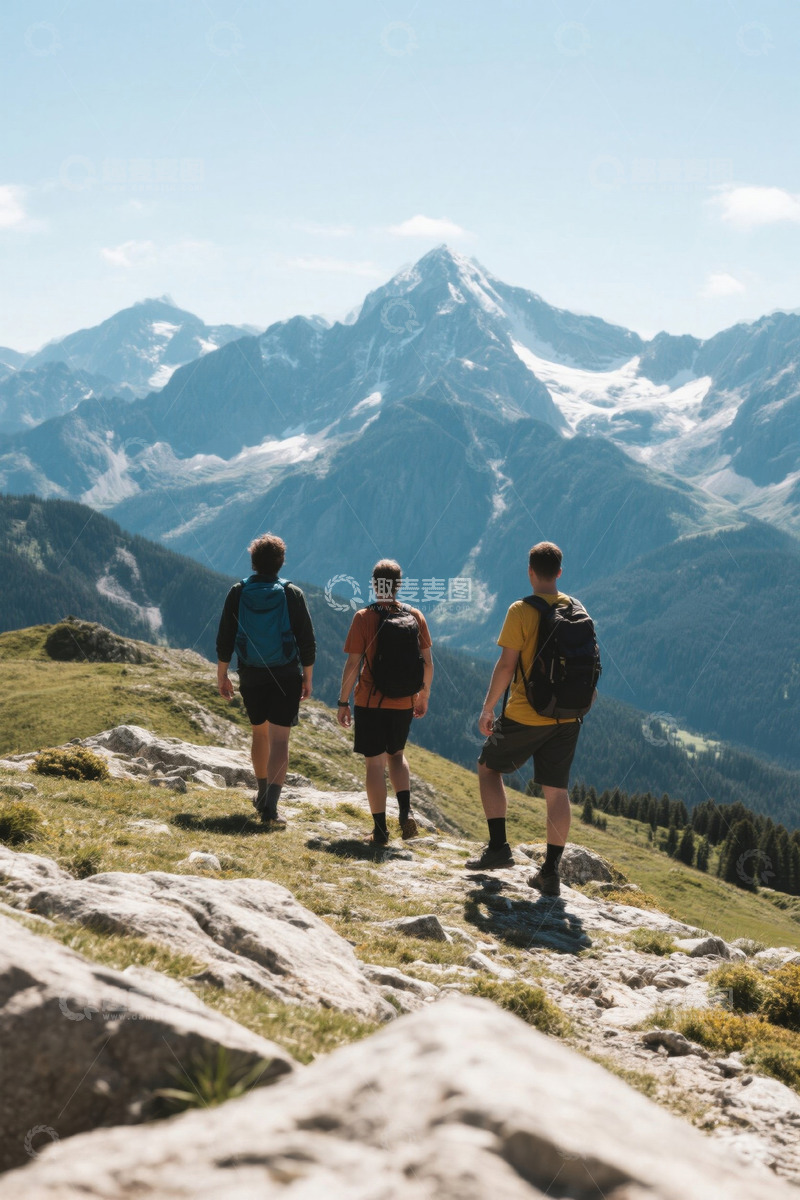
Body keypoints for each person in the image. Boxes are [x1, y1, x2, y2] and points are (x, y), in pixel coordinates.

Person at [467, 542, 597, 895]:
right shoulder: (577, 608)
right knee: (556, 793)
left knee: (487, 767)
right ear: (559, 572)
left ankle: (498, 848)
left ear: (530, 572)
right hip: (569, 716)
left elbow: (507, 665)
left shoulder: (520, 611)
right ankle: (550, 872)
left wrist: (488, 707)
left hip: (526, 714)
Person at [216, 533, 315, 828]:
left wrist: (222, 674)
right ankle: (271, 808)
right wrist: (307, 678)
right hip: (286, 673)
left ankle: (261, 795)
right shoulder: (291, 593)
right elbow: (307, 641)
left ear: (253, 562)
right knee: (280, 739)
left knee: (259, 734)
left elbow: (225, 638)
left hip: (251, 672)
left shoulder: (238, 592)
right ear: (280, 563)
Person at [338, 559, 433, 844]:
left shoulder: (364, 617)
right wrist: (422, 695)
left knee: (374, 765)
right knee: (397, 755)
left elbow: (353, 664)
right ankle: (405, 813)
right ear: (398, 585)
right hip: (404, 701)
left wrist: (343, 702)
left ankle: (380, 831)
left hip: (371, 702)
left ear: (374, 584)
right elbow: (427, 663)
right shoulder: (414, 615)